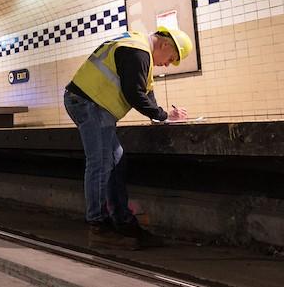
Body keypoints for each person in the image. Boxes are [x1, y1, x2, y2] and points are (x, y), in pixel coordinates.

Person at [65, 26, 193, 250]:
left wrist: (165, 115)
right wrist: (162, 116)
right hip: (89, 104)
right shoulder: (137, 51)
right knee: (101, 162)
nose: (167, 64)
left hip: (92, 104)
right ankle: (98, 226)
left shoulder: (139, 48)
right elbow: (134, 93)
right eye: (170, 58)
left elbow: (147, 92)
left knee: (116, 161)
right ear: (164, 44)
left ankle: (122, 221)